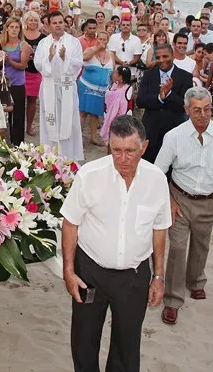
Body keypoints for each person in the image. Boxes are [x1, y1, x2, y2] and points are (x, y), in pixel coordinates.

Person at [60, 116, 171, 372]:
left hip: (133, 278)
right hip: (90, 274)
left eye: (130, 151)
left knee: (127, 344)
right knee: (84, 341)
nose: (122, 158)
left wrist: (158, 276)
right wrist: (68, 271)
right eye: (116, 150)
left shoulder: (156, 180)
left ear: (144, 147)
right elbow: (70, 223)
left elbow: (159, 228)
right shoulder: (89, 175)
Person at [155, 86, 213, 325]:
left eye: (207, 109)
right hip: (180, 199)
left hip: (210, 200)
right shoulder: (174, 136)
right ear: (187, 111)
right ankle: (173, 300)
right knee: (177, 248)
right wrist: (170, 201)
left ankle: (195, 282)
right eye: (197, 110)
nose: (203, 114)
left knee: (202, 244)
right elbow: (157, 172)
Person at [34, 12, 84, 162]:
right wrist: (49, 57)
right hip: (50, 87)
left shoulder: (73, 42)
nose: (58, 25)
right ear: (49, 25)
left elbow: (79, 63)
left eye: (61, 22)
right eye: (54, 23)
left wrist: (65, 58)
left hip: (67, 87)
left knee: (68, 120)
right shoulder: (44, 43)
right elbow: (37, 64)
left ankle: (68, 158)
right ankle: (50, 157)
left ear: (65, 23)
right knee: (50, 119)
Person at [136, 43, 193, 163]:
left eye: (165, 56)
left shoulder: (185, 77)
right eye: (158, 57)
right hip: (150, 130)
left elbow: (185, 106)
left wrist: (168, 94)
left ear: (173, 56)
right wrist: (159, 98)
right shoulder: (148, 75)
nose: (161, 60)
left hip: (174, 130)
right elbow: (140, 101)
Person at [0, 17, 31, 146]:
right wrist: (1, 61)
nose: (14, 30)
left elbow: (23, 65)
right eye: (11, 27)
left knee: (17, 115)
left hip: (17, 84)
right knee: (3, 114)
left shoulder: (24, 45)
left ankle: (18, 144)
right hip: (3, 84)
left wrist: (9, 61)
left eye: (17, 27)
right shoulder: (1, 43)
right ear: (7, 28)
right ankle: (3, 142)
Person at [78, 30, 113, 147]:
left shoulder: (111, 54)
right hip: (86, 86)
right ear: (97, 39)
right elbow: (84, 58)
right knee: (82, 112)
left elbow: (113, 70)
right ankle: (78, 136)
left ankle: (93, 137)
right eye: (100, 39)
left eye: (105, 39)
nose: (102, 41)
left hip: (101, 90)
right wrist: (97, 49)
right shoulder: (90, 50)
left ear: (108, 41)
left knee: (95, 114)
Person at [23, 11, 46, 136]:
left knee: (32, 100)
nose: (33, 22)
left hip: (35, 72)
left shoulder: (43, 38)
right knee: (18, 100)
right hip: (21, 71)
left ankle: (29, 126)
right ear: (26, 21)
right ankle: (18, 124)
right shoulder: (21, 35)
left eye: (35, 20)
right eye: (30, 20)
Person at [100, 66, 133, 143]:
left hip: (121, 119)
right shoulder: (114, 85)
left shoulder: (128, 88)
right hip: (109, 115)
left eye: (115, 73)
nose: (113, 74)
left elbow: (128, 105)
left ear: (120, 76)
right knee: (110, 138)